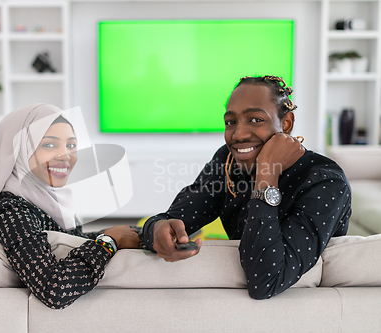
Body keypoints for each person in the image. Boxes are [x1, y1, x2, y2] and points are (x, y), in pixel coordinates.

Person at [142, 75, 351, 300]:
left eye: (255, 119)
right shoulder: (227, 161)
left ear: (287, 124)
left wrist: (267, 171)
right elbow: (171, 218)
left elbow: (265, 281)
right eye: (230, 122)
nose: (238, 135)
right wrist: (156, 229)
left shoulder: (326, 181)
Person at [0, 103, 140, 309]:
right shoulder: (11, 211)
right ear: (18, 150)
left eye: (71, 145)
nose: (66, 155)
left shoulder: (48, 200)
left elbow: (67, 240)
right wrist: (109, 241)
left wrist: (131, 232)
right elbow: (55, 290)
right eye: (50, 145)